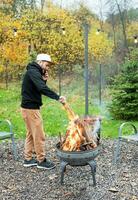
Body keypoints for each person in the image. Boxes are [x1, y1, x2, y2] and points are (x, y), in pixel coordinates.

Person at [21, 53, 66, 169]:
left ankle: (28, 159)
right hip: (31, 109)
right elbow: (41, 88)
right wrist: (58, 97)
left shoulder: (34, 72)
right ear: (40, 62)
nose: (48, 67)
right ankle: (41, 161)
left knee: (31, 134)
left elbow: (38, 87)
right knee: (39, 135)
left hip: (28, 108)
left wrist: (44, 80)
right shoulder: (33, 72)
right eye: (47, 64)